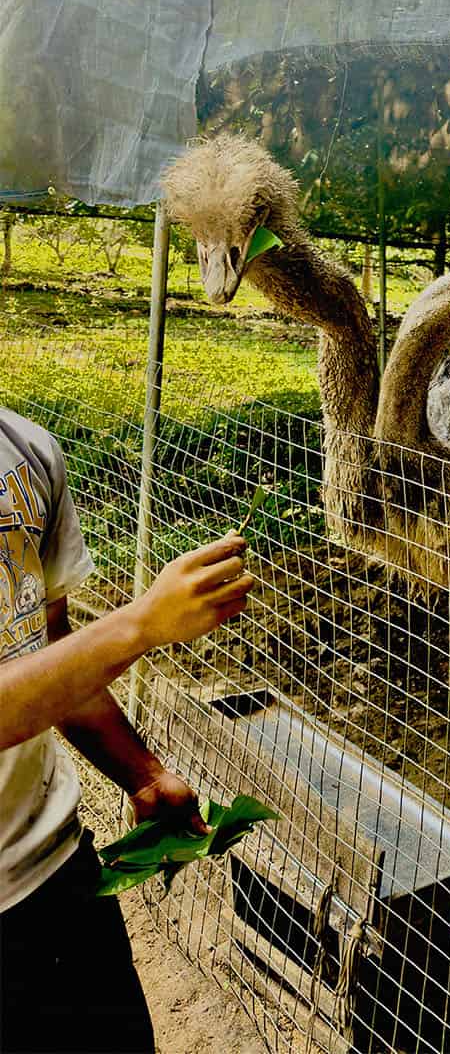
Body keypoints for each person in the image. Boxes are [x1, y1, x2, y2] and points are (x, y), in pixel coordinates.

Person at [0, 406, 255, 1052]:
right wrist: (140, 624)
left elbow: (43, 648)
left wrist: (140, 771)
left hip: (59, 871)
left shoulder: (26, 451)